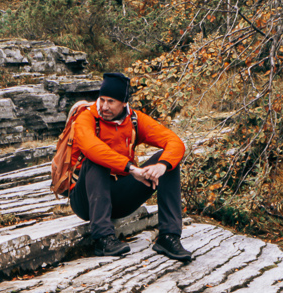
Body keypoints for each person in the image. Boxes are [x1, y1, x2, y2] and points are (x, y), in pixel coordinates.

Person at [67, 72, 194, 264]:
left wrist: (162, 165)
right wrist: (132, 169)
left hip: (117, 199)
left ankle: (168, 237)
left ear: (124, 103)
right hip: (84, 199)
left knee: (168, 160)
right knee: (96, 158)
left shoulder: (134, 120)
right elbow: (92, 148)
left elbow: (175, 142)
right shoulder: (86, 118)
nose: (104, 106)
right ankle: (103, 238)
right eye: (101, 100)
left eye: (111, 101)